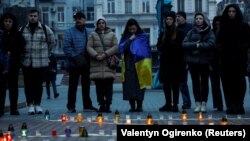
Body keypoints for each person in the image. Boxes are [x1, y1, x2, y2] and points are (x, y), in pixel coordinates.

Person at [217, 4, 250, 115]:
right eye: (229, 11)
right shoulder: (223, 26)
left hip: (240, 59)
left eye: (233, 11)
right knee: (227, 84)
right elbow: (218, 42)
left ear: (237, 13)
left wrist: (241, 47)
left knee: (240, 83)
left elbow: (248, 41)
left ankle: (239, 105)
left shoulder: (244, 26)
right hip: (226, 60)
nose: (231, 13)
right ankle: (230, 105)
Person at [21, 9, 55, 115]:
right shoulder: (22, 29)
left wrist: (46, 53)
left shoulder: (45, 29)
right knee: (28, 85)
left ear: (38, 17)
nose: (33, 18)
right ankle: (30, 105)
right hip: (27, 62)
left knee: (39, 85)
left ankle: (37, 104)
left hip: (41, 62)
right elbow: (18, 44)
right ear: (28, 16)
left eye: (35, 16)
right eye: (31, 15)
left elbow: (52, 42)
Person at [63, 11, 97, 113]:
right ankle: (71, 106)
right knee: (72, 86)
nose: (78, 20)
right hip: (74, 63)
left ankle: (87, 105)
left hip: (86, 63)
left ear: (84, 20)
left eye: (80, 18)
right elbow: (66, 48)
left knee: (86, 85)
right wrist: (77, 57)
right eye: (76, 18)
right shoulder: (69, 31)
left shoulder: (89, 32)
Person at [182, 12, 215, 113]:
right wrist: (194, 45)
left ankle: (204, 103)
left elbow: (211, 44)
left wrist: (198, 46)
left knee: (204, 83)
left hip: (205, 62)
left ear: (204, 20)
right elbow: (184, 44)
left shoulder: (209, 31)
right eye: (197, 18)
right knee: (195, 83)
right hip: (193, 62)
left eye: (200, 18)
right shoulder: (191, 32)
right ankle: (197, 104)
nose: (198, 20)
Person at [119, 18, 152, 112]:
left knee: (140, 86)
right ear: (127, 29)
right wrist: (130, 39)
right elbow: (121, 48)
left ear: (137, 27)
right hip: (129, 65)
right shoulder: (125, 37)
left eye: (134, 29)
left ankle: (140, 105)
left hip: (141, 64)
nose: (132, 31)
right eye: (130, 29)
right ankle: (132, 106)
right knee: (129, 86)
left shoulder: (143, 36)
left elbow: (146, 50)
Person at [87, 17, 118, 113]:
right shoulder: (92, 35)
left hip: (108, 65)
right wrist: (96, 55)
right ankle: (101, 105)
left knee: (109, 87)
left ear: (106, 24)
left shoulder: (112, 34)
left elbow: (116, 46)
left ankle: (108, 105)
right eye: (99, 23)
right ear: (97, 25)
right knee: (99, 88)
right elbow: (88, 47)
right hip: (97, 64)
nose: (101, 24)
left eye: (103, 22)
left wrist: (105, 54)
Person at [156, 11, 185, 112]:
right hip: (165, 62)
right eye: (167, 19)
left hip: (176, 63)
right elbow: (159, 45)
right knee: (166, 84)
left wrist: (170, 44)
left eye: (170, 19)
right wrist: (163, 46)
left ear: (174, 20)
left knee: (175, 84)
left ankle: (175, 104)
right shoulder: (163, 33)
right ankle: (168, 103)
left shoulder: (179, 32)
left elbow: (181, 46)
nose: (168, 21)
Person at [0, 13, 25, 116]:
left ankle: (13, 109)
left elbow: (22, 48)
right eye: (6, 21)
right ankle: (0, 109)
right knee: (1, 88)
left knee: (13, 88)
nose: (7, 23)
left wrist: (13, 53)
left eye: (10, 21)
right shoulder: (0, 33)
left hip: (14, 65)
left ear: (13, 23)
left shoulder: (17, 34)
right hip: (1, 65)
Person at [176, 11, 193, 110]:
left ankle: (199, 103)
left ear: (184, 18)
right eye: (177, 16)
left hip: (189, 57)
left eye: (180, 16)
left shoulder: (190, 27)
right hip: (179, 59)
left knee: (195, 82)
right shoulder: (176, 28)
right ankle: (186, 102)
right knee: (182, 82)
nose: (178, 18)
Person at [210, 15, 223, 111]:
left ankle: (228, 104)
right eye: (216, 23)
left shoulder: (224, 33)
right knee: (215, 86)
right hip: (213, 63)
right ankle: (217, 105)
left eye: (219, 23)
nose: (217, 25)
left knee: (226, 86)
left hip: (223, 62)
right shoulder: (212, 33)